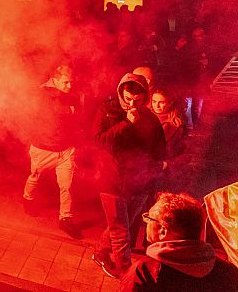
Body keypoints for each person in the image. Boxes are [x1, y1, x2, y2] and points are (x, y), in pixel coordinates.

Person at [92, 73, 167, 278]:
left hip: (139, 181)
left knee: (118, 226)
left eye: (138, 100)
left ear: (145, 96)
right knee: (121, 232)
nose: (132, 103)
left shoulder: (150, 117)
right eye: (128, 98)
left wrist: (158, 166)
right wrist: (126, 122)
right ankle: (125, 273)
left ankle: (99, 253)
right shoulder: (107, 110)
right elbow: (99, 141)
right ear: (121, 92)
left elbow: (159, 148)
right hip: (112, 180)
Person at [120, 192, 238, 291]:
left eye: (149, 219)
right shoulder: (229, 272)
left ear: (162, 231)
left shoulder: (144, 273)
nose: (147, 223)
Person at [22, 65, 82, 239]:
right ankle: (27, 198)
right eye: (66, 82)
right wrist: (68, 110)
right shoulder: (41, 93)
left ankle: (65, 219)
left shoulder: (69, 93)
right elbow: (41, 112)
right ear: (55, 80)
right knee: (35, 176)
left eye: (72, 82)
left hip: (66, 150)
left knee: (67, 186)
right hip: (43, 148)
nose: (70, 86)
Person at [150, 87, 185, 157]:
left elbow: (173, 151)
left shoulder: (175, 124)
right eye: (154, 101)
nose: (156, 106)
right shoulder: (145, 115)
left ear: (170, 103)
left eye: (161, 102)